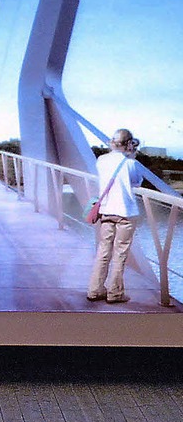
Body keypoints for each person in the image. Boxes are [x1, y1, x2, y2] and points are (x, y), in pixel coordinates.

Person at [87, 128, 143, 304]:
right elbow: (136, 181)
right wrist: (131, 156)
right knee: (120, 253)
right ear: (128, 144)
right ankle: (115, 293)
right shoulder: (130, 163)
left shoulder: (101, 160)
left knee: (103, 250)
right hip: (126, 214)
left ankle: (95, 290)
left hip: (106, 210)